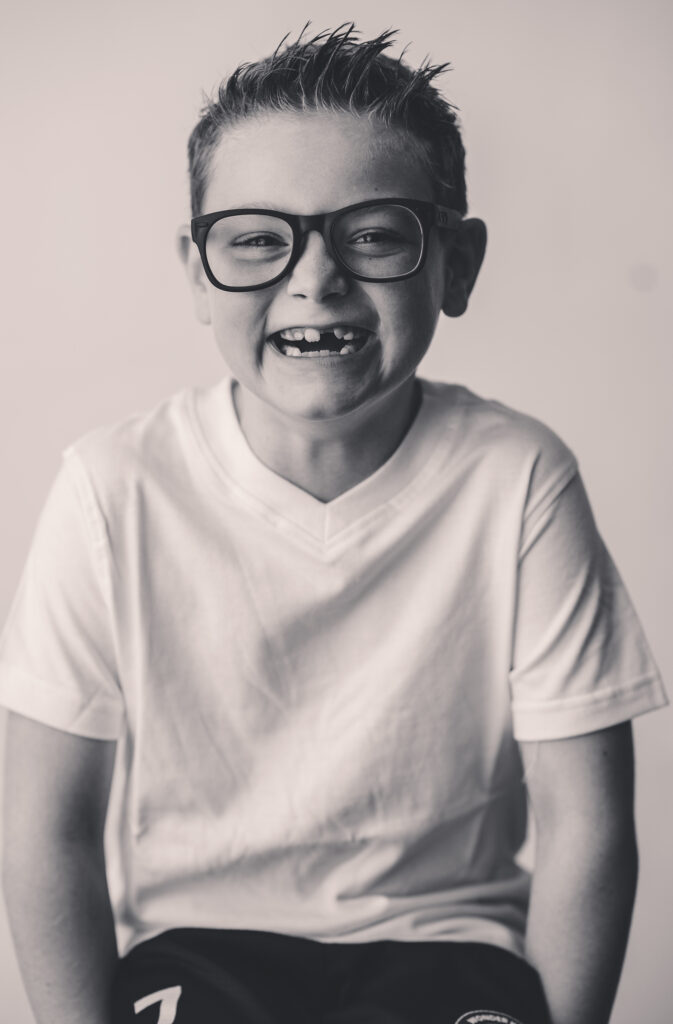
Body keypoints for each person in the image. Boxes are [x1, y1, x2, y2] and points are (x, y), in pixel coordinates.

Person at [0, 24, 666, 1024]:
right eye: (258, 238)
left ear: (457, 263)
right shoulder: (112, 488)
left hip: (446, 949)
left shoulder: (517, 477)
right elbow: (44, 829)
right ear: (195, 267)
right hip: (200, 950)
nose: (315, 277)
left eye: (374, 233)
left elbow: (587, 825)